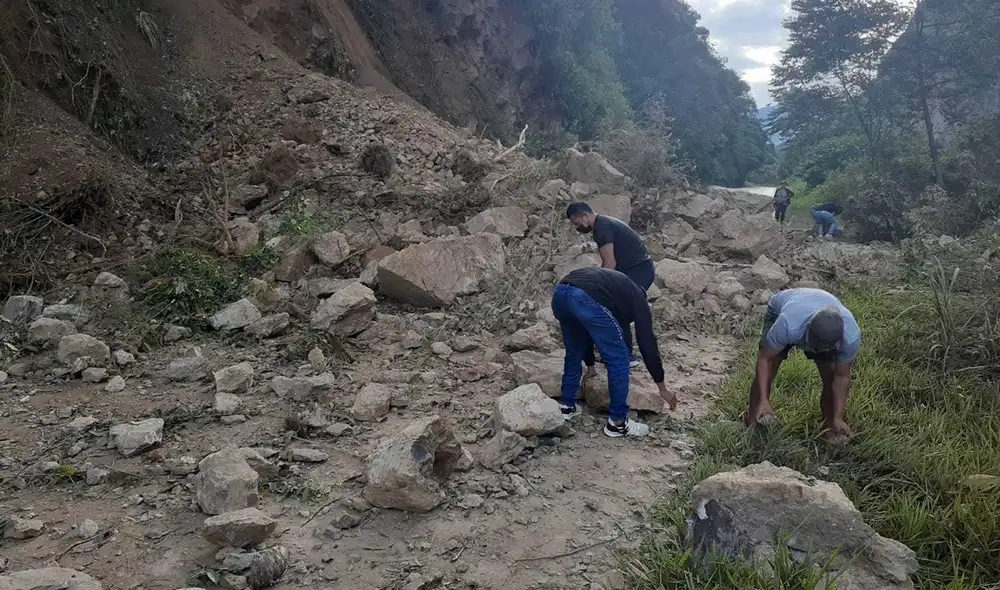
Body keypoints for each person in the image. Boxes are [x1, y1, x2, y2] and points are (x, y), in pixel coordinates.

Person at [552, 267, 677, 438]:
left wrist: (590, 366)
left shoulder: (614, 290)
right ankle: (618, 423)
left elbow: (586, 329)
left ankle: (566, 406)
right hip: (582, 295)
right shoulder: (638, 299)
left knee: (574, 349)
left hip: (560, 294)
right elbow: (647, 342)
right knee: (619, 357)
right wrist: (662, 387)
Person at [745, 288, 861, 442]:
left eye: (826, 348)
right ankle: (753, 421)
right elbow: (764, 359)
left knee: (830, 375)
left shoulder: (850, 337)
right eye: (817, 346)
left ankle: (831, 428)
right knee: (771, 365)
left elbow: (841, 376)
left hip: (816, 309)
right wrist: (763, 400)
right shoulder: (787, 324)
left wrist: (838, 416)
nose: (820, 351)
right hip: (785, 306)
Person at [566, 202, 654, 368]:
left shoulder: (602, 228)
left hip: (638, 271)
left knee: (617, 308)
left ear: (585, 216)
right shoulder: (604, 223)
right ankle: (622, 354)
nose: (577, 228)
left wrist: (595, 286)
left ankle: (625, 356)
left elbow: (609, 263)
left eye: (576, 223)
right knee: (617, 308)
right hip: (637, 270)